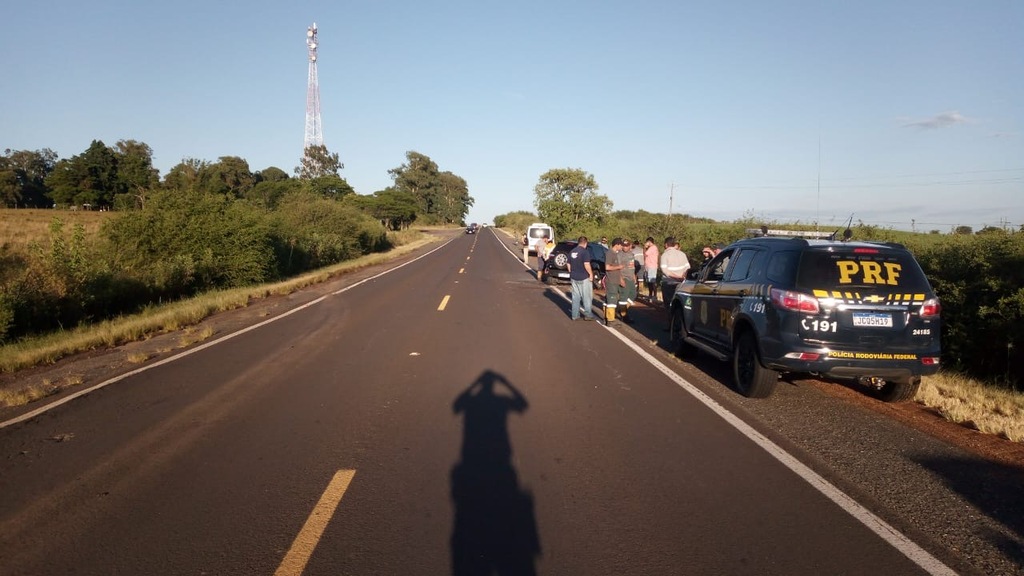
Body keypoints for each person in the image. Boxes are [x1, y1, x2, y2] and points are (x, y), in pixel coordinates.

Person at [567, 236, 597, 321]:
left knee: (575, 297)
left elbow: (568, 264)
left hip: (574, 277)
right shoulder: (585, 252)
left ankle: (575, 315)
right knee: (587, 297)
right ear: (585, 243)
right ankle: (588, 314)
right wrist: (591, 274)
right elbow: (586, 264)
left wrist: (571, 272)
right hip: (584, 277)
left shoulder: (572, 251)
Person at [659, 236, 690, 306]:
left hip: (668, 282)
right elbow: (687, 268)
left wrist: (676, 277)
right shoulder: (682, 254)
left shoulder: (665, 255)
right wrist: (682, 277)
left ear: (666, 245)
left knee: (669, 304)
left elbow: (665, 271)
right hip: (681, 283)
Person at [602, 238, 626, 324]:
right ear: (617, 244)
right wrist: (619, 267)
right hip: (611, 281)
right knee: (612, 300)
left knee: (608, 300)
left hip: (615, 280)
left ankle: (606, 318)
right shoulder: (610, 253)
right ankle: (610, 320)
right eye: (621, 245)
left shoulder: (615, 254)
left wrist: (620, 279)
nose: (622, 247)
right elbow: (607, 267)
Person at [619, 239, 638, 324]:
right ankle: (624, 315)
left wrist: (634, 276)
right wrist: (620, 279)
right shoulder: (620, 255)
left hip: (630, 277)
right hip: (624, 277)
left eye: (627, 246)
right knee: (624, 297)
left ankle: (622, 310)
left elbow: (632, 266)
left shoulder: (631, 254)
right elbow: (617, 268)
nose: (625, 247)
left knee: (633, 294)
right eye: (624, 245)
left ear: (630, 246)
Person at [643, 237, 660, 303]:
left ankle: (654, 296)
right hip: (648, 266)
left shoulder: (653, 247)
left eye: (647, 242)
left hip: (652, 266)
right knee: (649, 282)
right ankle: (650, 295)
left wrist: (645, 247)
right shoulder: (651, 248)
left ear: (649, 242)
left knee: (652, 281)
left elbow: (645, 254)